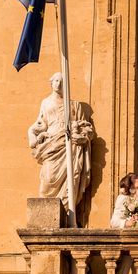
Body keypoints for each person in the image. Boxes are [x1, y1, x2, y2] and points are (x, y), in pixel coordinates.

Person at [28, 72, 94, 207]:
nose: (58, 84)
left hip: (70, 145)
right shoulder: (46, 103)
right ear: (51, 83)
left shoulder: (75, 105)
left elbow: (85, 127)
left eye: (62, 82)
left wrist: (82, 137)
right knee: (48, 178)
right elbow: (40, 124)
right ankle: (45, 211)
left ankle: (67, 210)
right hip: (52, 144)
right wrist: (32, 135)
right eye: (56, 81)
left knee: (71, 178)